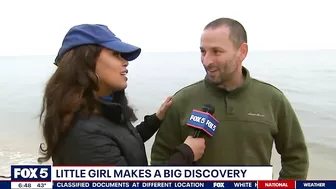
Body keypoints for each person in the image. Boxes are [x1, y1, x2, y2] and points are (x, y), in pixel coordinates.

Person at [150, 18, 309, 179]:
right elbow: (159, 160)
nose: (207, 61)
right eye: (203, 51)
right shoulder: (182, 100)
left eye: (217, 51)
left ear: (242, 52)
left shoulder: (273, 99)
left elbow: (296, 157)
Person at [37, 24, 205, 165]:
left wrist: (156, 119)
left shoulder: (100, 109)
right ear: (86, 62)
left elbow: (123, 143)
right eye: (115, 54)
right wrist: (186, 154)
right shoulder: (82, 135)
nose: (125, 62)